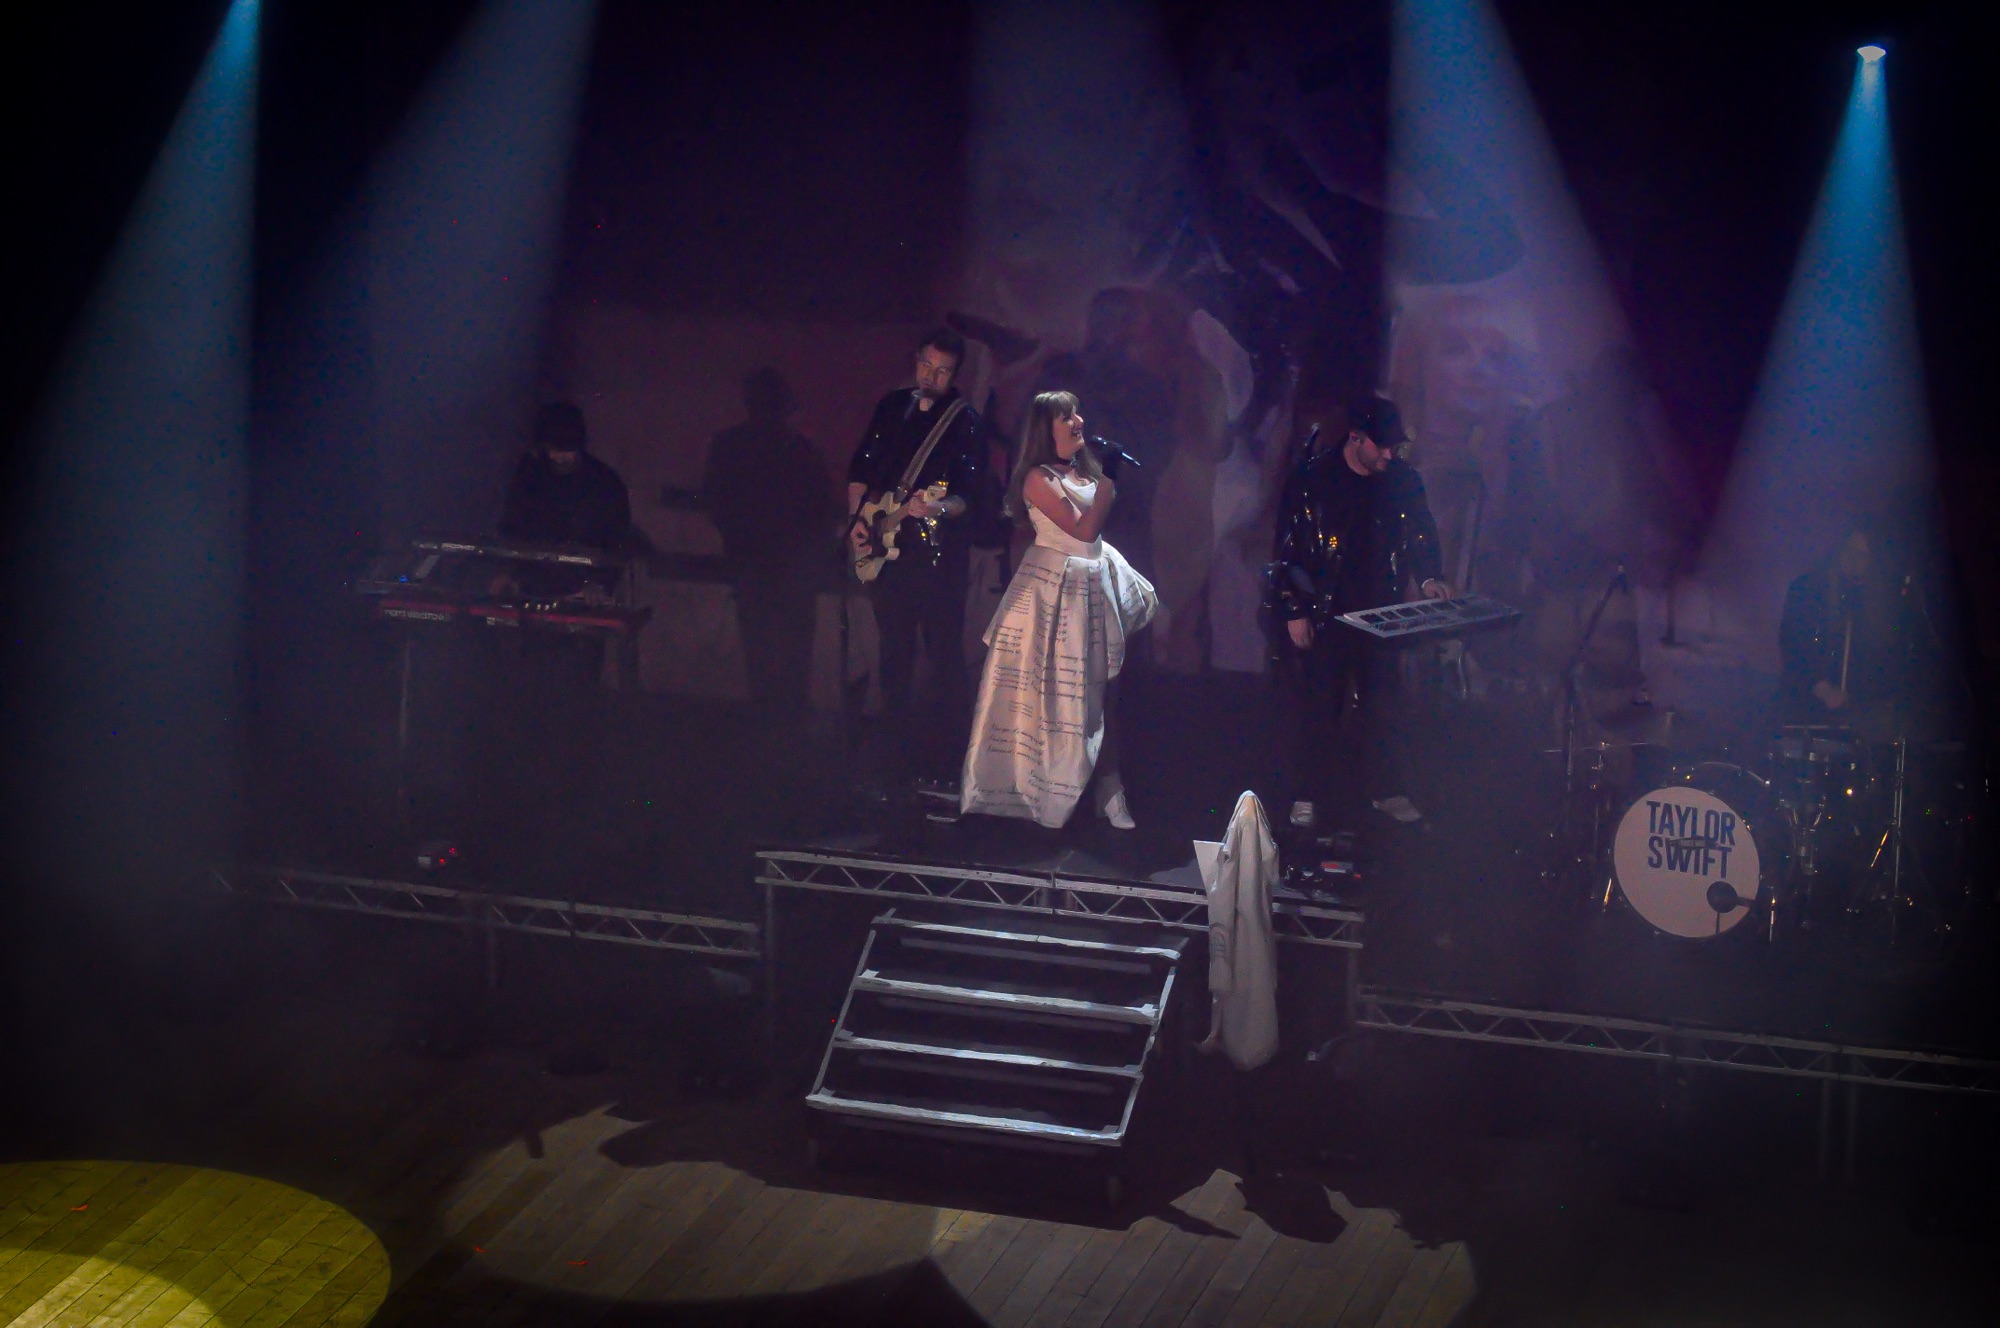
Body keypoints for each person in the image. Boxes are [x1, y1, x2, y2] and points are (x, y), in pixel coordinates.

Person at [961, 392, 1157, 829]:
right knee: (1049, 697)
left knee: (1103, 693)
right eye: (1065, 417)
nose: (1077, 421)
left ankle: (1109, 790)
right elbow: (1083, 531)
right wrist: (1109, 480)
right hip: (1053, 592)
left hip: (1093, 586)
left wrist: (1103, 477)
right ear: (1045, 430)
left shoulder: (1086, 472)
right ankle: (1041, 787)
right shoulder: (1037, 478)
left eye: (1076, 413)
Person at [1266, 397, 1449, 828]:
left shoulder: (1402, 481)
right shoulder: (1313, 479)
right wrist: (1294, 609)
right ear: (1356, 438)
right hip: (1325, 609)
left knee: (1383, 704)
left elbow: (1420, 533)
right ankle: (1308, 793)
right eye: (1380, 446)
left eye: (1392, 447)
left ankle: (1387, 790)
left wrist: (1428, 577)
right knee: (1319, 705)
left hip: (1381, 611)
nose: (1388, 454)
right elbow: (1289, 548)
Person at [846, 327, 991, 788]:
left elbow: (968, 496)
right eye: (926, 365)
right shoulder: (893, 406)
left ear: (955, 374)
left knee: (942, 653)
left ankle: (945, 760)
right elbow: (862, 466)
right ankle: (894, 754)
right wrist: (858, 521)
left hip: (937, 556)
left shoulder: (965, 422)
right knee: (893, 650)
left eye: (942, 371)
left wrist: (936, 509)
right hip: (888, 549)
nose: (931, 376)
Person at [703, 368, 837, 711]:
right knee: (790, 648)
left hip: (759, 561)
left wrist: (739, 540)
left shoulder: (731, 446)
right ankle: (786, 717)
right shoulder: (801, 450)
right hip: (787, 564)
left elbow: (716, 502)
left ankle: (769, 717)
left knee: (761, 647)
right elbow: (822, 511)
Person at [1778, 524, 1908, 727]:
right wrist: (1820, 687)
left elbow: (1878, 656)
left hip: (1852, 712)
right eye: (1850, 550)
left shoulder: (1869, 598)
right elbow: (1792, 642)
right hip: (1806, 709)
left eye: (1863, 555)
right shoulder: (1808, 587)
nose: (1854, 559)